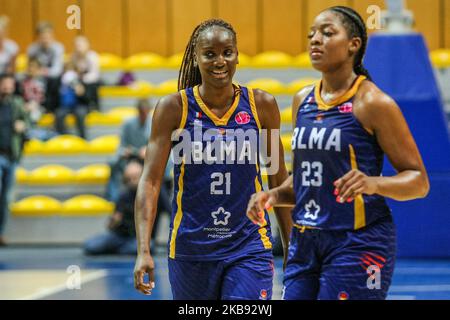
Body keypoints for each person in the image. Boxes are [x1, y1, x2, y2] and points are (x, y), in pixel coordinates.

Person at [247, 6, 430, 300]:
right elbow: (307, 179)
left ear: (353, 44)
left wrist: (373, 183)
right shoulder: (302, 100)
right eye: (312, 34)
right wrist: (275, 195)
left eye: (327, 33)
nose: (315, 40)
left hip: (358, 241)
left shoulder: (373, 103)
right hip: (305, 239)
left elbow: (419, 182)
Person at [133, 19, 292, 300]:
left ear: (237, 55)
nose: (220, 61)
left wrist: (293, 247)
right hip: (191, 248)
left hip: (249, 245)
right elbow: (151, 181)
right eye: (209, 54)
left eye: (227, 52)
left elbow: (277, 177)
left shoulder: (262, 105)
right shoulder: (174, 108)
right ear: (196, 58)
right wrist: (144, 250)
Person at [84, 161, 142, 255]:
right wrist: (114, 221)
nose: (132, 181)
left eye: (135, 177)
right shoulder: (123, 196)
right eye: (129, 179)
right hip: (119, 236)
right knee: (90, 245)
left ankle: (117, 250)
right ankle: (120, 249)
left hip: (138, 238)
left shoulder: (152, 196)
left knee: (145, 246)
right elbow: (110, 226)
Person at [0, 73, 30, 246]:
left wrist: (23, 126)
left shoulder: (17, 104)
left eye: (10, 85)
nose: (7, 87)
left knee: (6, 198)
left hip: (11, 156)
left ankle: (1, 232)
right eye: (5, 84)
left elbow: (28, 124)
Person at [105, 99, 152, 202]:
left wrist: (147, 150)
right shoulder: (128, 124)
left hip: (146, 159)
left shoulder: (154, 124)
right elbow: (122, 145)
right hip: (129, 156)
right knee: (113, 163)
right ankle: (114, 198)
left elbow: (157, 146)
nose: (143, 115)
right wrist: (125, 151)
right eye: (141, 112)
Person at [27, 22, 64, 113]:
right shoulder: (32, 49)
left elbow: (57, 70)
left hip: (51, 78)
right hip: (37, 76)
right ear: (38, 37)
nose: (45, 40)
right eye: (42, 37)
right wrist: (35, 73)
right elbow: (30, 68)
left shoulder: (58, 48)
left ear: (52, 36)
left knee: (55, 80)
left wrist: (42, 72)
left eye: (47, 37)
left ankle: (52, 107)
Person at [54, 61, 88, 139]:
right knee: (59, 114)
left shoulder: (80, 81)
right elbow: (53, 98)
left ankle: (82, 137)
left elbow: (87, 99)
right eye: (67, 69)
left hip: (77, 106)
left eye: (71, 69)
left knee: (81, 113)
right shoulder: (58, 82)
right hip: (63, 106)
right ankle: (62, 137)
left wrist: (81, 93)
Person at [70, 35, 100, 110]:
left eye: (80, 45)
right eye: (76, 46)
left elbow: (94, 74)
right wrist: (77, 83)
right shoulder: (73, 57)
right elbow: (71, 73)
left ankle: (93, 105)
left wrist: (82, 81)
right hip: (78, 80)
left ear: (87, 46)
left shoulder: (93, 56)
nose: (78, 48)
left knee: (92, 84)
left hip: (90, 82)